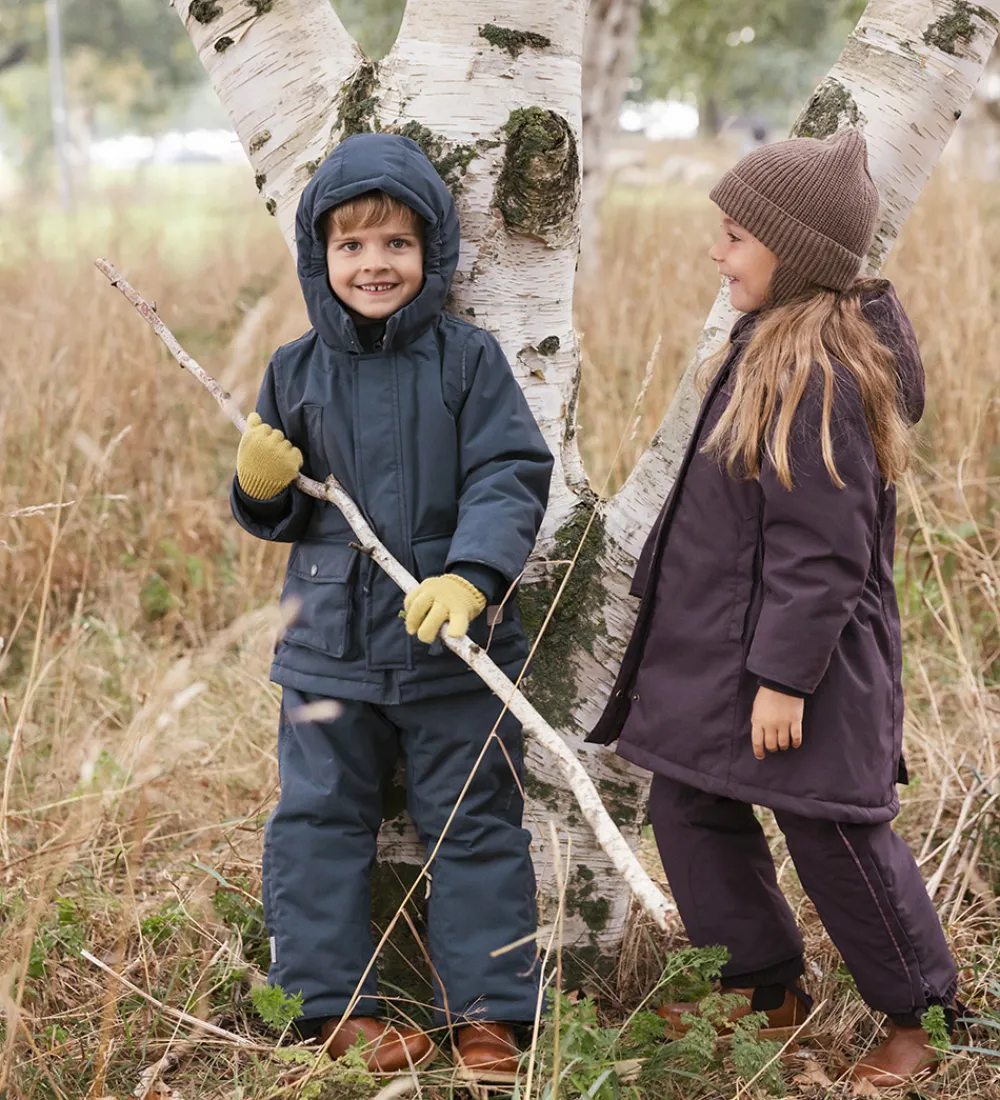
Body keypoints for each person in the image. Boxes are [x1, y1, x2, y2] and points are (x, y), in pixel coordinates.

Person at [587, 129, 958, 1088]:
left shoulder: (817, 371)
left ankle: (925, 1017)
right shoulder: (765, 344)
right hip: (722, 658)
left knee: (832, 829)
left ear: (792, 254)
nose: (719, 252)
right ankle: (762, 986)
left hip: (804, 667)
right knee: (689, 802)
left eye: (737, 236)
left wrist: (783, 680)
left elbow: (824, 551)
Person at [231, 132, 553, 1082]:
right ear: (318, 257)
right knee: (321, 819)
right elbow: (281, 511)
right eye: (352, 247)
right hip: (327, 646)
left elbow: (510, 470)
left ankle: (490, 1015)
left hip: (454, 643)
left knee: (474, 820)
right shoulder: (295, 371)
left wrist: (474, 574)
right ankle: (326, 1005)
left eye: (397, 246)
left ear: (434, 254)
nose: (374, 265)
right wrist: (260, 485)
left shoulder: (468, 360)